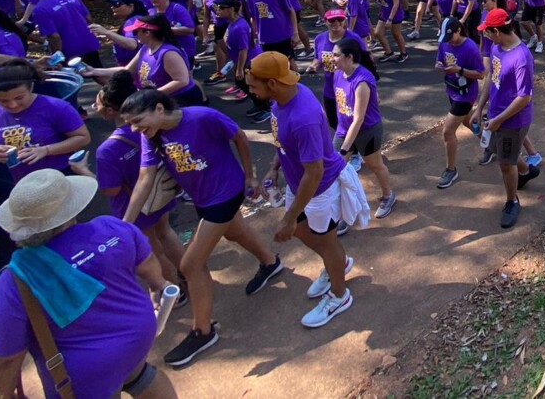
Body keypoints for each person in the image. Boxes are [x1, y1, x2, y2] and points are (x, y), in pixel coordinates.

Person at [0, 169, 178, 399]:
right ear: (71, 208)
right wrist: (157, 286)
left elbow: (6, 358)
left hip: (85, 375)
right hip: (137, 340)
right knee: (138, 374)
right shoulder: (112, 227)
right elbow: (148, 263)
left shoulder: (16, 278)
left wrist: (3, 395)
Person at [120, 88, 281, 367]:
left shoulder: (203, 117)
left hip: (227, 191)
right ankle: (270, 263)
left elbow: (239, 137)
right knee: (234, 231)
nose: (134, 128)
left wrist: (249, 176)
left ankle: (203, 332)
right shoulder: (150, 136)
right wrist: (124, 225)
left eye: (137, 120)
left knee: (190, 265)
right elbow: (145, 178)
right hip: (202, 197)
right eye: (130, 124)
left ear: (159, 109)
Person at [248, 52, 366, 328]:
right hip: (297, 183)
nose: (251, 91)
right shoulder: (284, 96)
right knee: (303, 232)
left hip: (319, 189)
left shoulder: (304, 118)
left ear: (272, 83)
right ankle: (336, 265)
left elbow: (315, 172)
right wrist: (274, 168)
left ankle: (339, 294)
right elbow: (283, 141)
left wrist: (289, 217)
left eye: (253, 86)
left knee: (327, 242)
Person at [91, 71, 184, 288]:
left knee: (152, 251)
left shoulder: (107, 150)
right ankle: (191, 273)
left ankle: (172, 290)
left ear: (111, 110)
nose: (95, 107)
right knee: (165, 232)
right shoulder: (152, 127)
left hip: (132, 205)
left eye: (98, 103)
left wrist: (83, 172)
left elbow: (111, 190)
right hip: (159, 194)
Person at [0, 61, 92, 206]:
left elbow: (83, 138)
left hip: (60, 176)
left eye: (19, 98)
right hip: (22, 185)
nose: (12, 105)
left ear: (31, 87)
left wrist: (46, 150)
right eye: (3, 101)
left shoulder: (55, 107)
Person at [477, 8, 539, 229]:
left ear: (497, 31)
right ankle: (526, 170)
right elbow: (491, 79)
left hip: (513, 121)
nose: (485, 35)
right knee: (501, 152)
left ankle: (512, 202)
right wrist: (479, 107)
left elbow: (524, 97)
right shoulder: (497, 47)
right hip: (495, 114)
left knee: (505, 163)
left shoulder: (521, 58)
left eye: (487, 31)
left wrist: (499, 120)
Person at [329, 38, 396, 219]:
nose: (332, 58)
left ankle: (388, 195)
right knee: (335, 171)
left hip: (367, 131)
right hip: (344, 129)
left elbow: (358, 119)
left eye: (336, 55)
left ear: (349, 57)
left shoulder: (362, 81)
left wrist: (344, 150)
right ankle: (341, 213)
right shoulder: (337, 74)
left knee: (375, 165)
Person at [85, 13, 206, 108]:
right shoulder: (145, 49)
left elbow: (181, 81)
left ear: (147, 33)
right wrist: (94, 71)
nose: (134, 35)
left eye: (135, 32)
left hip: (180, 101)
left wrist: (149, 96)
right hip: (160, 100)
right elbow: (127, 70)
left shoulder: (168, 53)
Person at [433, 17, 484, 188]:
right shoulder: (444, 43)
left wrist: (460, 70)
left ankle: (451, 170)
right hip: (452, 89)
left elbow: (481, 74)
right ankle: (490, 142)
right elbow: (439, 60)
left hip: (466, 94)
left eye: (451, 37)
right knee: (468, 121)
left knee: (448, 131)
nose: (448, 41)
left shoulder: (470, 47)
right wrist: (439, 66)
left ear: (458, 31)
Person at [28, 0, 104, 67]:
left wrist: (57, 58)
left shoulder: (40, 9)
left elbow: (54, 37)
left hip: (69, 52)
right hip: (89, 44)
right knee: (97, 72)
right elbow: (88, 18)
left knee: (73, 76)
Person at [309, 9, 360, 130]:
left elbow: (366, 61)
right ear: (325, 21)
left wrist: (371, 89)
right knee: (334, 123)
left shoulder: (353, 39)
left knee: (351, 123)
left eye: (340, 19)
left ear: (344, 20)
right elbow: (317, 58)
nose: (336, 23)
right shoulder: (320, 39)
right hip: (330, 90)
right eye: (332, 20)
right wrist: (314, 66)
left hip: (349, 90)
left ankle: (351, 143)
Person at [212, 0, 254, 105]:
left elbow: (243, 50)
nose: (218, 10)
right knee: (241, 83)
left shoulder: (239, 27)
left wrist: (240, 69)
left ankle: (262, 107)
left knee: (250, 87)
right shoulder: (232, 23)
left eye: (222, 8)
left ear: (231, 9)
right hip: (240, 61)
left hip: (248, 63)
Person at [90, 0, 149, 67]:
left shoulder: (133, 21)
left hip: (133, 67)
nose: (112, 7)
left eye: (117, 4)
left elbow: (132, 44)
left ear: (131, 6)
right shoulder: (135, 18)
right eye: (112, 4)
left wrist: (106, 32)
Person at [372, 0, 408, 64]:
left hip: (394, 15)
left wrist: (390, 19)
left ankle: (404, 53)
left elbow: (396, 4)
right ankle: (389, 53)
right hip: (384, 14)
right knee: (378, 33)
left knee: (396, 34)